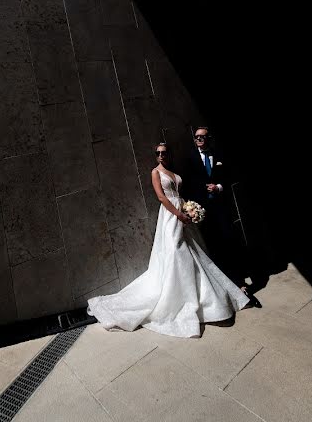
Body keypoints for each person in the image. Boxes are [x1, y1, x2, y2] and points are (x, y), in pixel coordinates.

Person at [87, 143, 249, 337]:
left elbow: (179, 194)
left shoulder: (174, 173)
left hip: (181, 209)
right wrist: (179, 215)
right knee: (175, 249)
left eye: (164, 152)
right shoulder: (156, 172)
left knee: (192, 251)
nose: (161, 155)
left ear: (168, 154)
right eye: (158, 153)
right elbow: (162, 198)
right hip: (170, 216)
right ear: (155, 156)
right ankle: (176, 298)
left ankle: (200, 296)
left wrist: (189, 209)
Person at [182, 126, 261, 306]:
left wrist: (218, 187)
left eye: (202, 136)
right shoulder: (190, 158)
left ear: (209, 138)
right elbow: (187, 185)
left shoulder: (219, 155)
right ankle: (223, 286)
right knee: (213, 247)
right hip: (203, 212)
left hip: (221, 209)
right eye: (197, 137)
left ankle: (239, 284)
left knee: (229, 243)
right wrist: (192, 207)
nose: (199, 139)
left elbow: (229, 177)